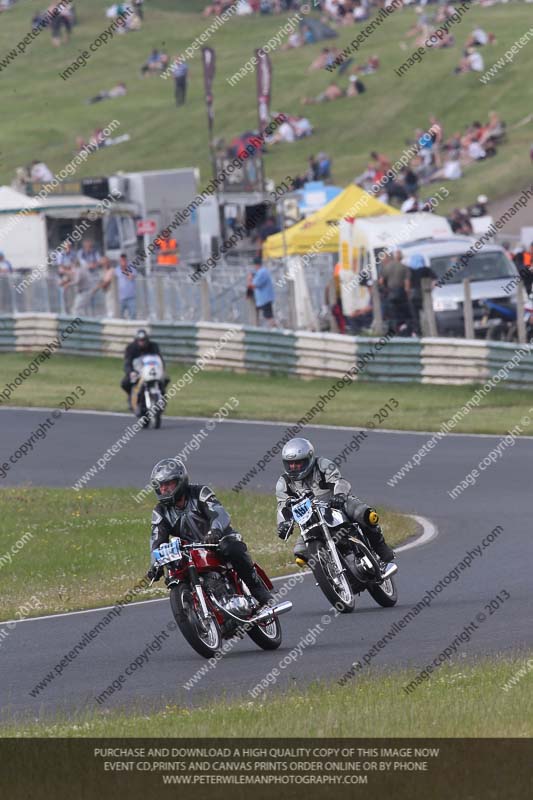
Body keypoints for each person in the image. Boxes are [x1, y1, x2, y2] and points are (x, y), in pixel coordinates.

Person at [146, 459, 273, 605]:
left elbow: (220, 513)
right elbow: (157, 537)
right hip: (191, 551)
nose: (164, 489)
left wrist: (215, 531)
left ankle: (256, 587)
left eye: (168, 484)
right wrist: (155, 564)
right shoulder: (160, 511)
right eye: (161, 486)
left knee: (230, 547)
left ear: (180, 481)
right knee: (174, 568)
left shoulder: (199, 492)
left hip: (218, 539)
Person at [275, 438, 395, 567]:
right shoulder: (284, 482)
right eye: (290, 464)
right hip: (312, 520)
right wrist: (283, 524)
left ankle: (380, 546)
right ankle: (330, 575)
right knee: (300, 554)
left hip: (336, 505)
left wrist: (339, 495)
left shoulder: (322, 465)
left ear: (308, 459)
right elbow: (282, 506)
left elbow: (339, 481)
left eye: (297, 463)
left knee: (367, 515)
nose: (293, 467)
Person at [121, 328, 167, 407]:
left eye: (144, 340)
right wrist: (131, 372)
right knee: (125, 383)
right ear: (136, 340)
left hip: (152, 371)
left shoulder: (153, 346)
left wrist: (162, 369)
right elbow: (127, 362)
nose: (142, 342)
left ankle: (161, 398)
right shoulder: (131, 348)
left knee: (165, 379)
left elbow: (159, 359)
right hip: (138, 372)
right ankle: (131, 398)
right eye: (140, 340)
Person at [379, 250, 410, 332]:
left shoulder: (387, 267)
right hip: (401, 293)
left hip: (390, 292)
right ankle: (404, 329)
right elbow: (407, 284)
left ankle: (393, 330)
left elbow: (381, 281)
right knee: (403, 312)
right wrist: (407, 294)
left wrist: (385, 290)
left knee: (392, 313)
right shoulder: (404, 267)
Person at [406, 253, 435, 336]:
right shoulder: (426, 270)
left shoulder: (409, 270)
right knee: (427, 313)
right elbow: (435, 281)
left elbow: (406, 282)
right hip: (424, 295)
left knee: (415, 315)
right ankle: (430, 330)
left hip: (412, 295)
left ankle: (418, 331)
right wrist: (430, 290)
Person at [247, 256, 276, 327]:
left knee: (268, 316)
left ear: (256, 264)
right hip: (262, 299)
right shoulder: (260, 272)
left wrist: (249, 279)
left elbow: (253, 285)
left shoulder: (262, 272)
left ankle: (274, 329)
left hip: (265, 299)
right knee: (264, 315)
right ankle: (264, 328)